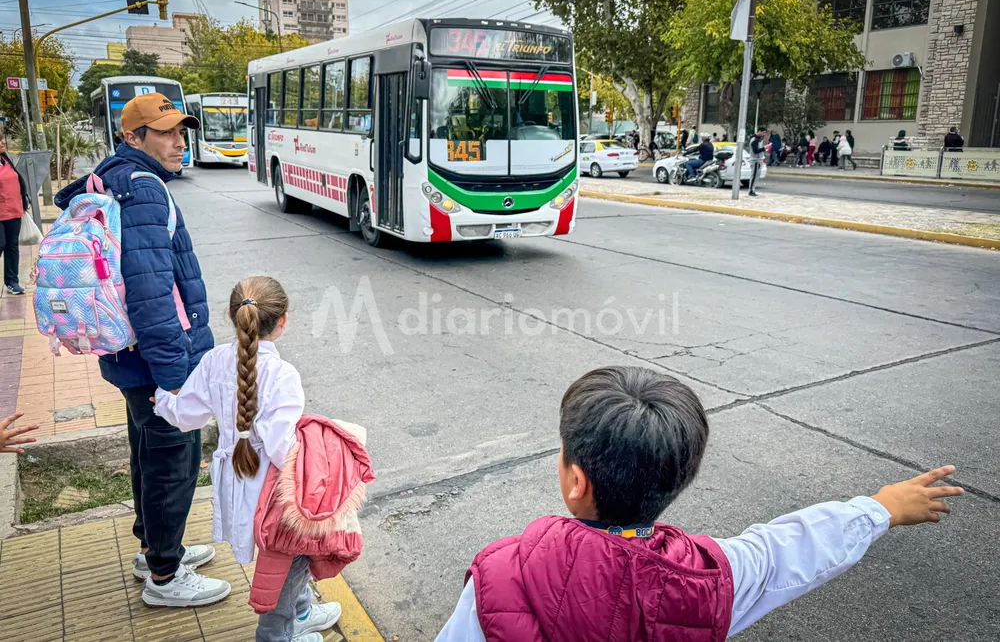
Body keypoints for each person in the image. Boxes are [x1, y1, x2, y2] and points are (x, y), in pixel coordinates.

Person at [435, 367, 964, 642]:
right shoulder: (709, 578)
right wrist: (880, 509)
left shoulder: (500, 575)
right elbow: (787, 549)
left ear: (576, 480)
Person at [53, 93, 226, 607]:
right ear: (133, 137)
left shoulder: (111, 177)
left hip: (130, 355)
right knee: (174, 457)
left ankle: (154, 547)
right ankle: (166, 577)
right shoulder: (146, 187)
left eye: (181, 131)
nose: (179, 142)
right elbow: (151, 290)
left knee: (148, 453)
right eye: (166, 132)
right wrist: (176, 377)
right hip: (157, 358)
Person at [153, 277, 343, 642]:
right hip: (272, 488)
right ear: (283, 321)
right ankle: (277, 634)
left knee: (287, 558)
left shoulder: (214, 361)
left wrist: (163, 400)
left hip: (234, 477)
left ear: (230, 315)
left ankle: (301, 612)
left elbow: (187, 415)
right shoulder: (283, 374)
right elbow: (280, 446)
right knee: (288, 558)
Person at [0, 134, 30, 296]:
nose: (3, 142)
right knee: (1, 244)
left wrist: (24, 203)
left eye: (2, 139)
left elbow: (18, 182)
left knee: (12, 247)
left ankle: (12, 282)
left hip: (14, 211)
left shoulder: (6, 160)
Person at [748, 127, 766, 196]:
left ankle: (753, 189)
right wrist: (764, 148)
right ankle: (751, 191)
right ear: (759, 131)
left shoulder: (758, 139)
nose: (764, 134)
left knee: (756, 176)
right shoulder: (754, 140)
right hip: (755, 160)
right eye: (763, 132)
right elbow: (755, 151)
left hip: (758, 160)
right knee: (754, 176)